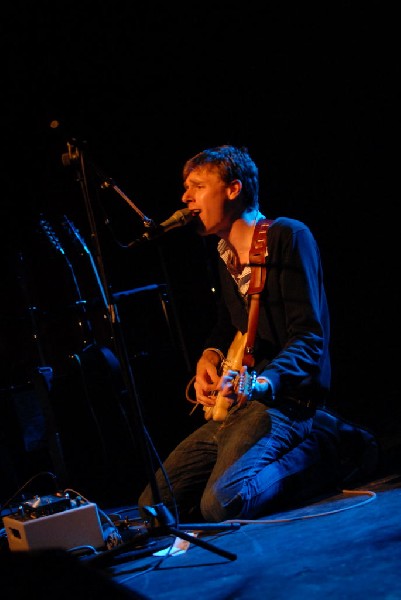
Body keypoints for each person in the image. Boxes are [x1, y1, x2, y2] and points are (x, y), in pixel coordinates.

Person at [138, 144, 378, 524]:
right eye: (186, 188)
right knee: (155, 506)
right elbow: (228, 324)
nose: (185, 198)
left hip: (286, 402)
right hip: (237, 407)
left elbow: (309, 338)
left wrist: (262, 383)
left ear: (233, 189)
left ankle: (328, 444)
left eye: (197, 186)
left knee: (222, 504)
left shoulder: (289, 236)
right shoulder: (224, 253)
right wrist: (209, 357)